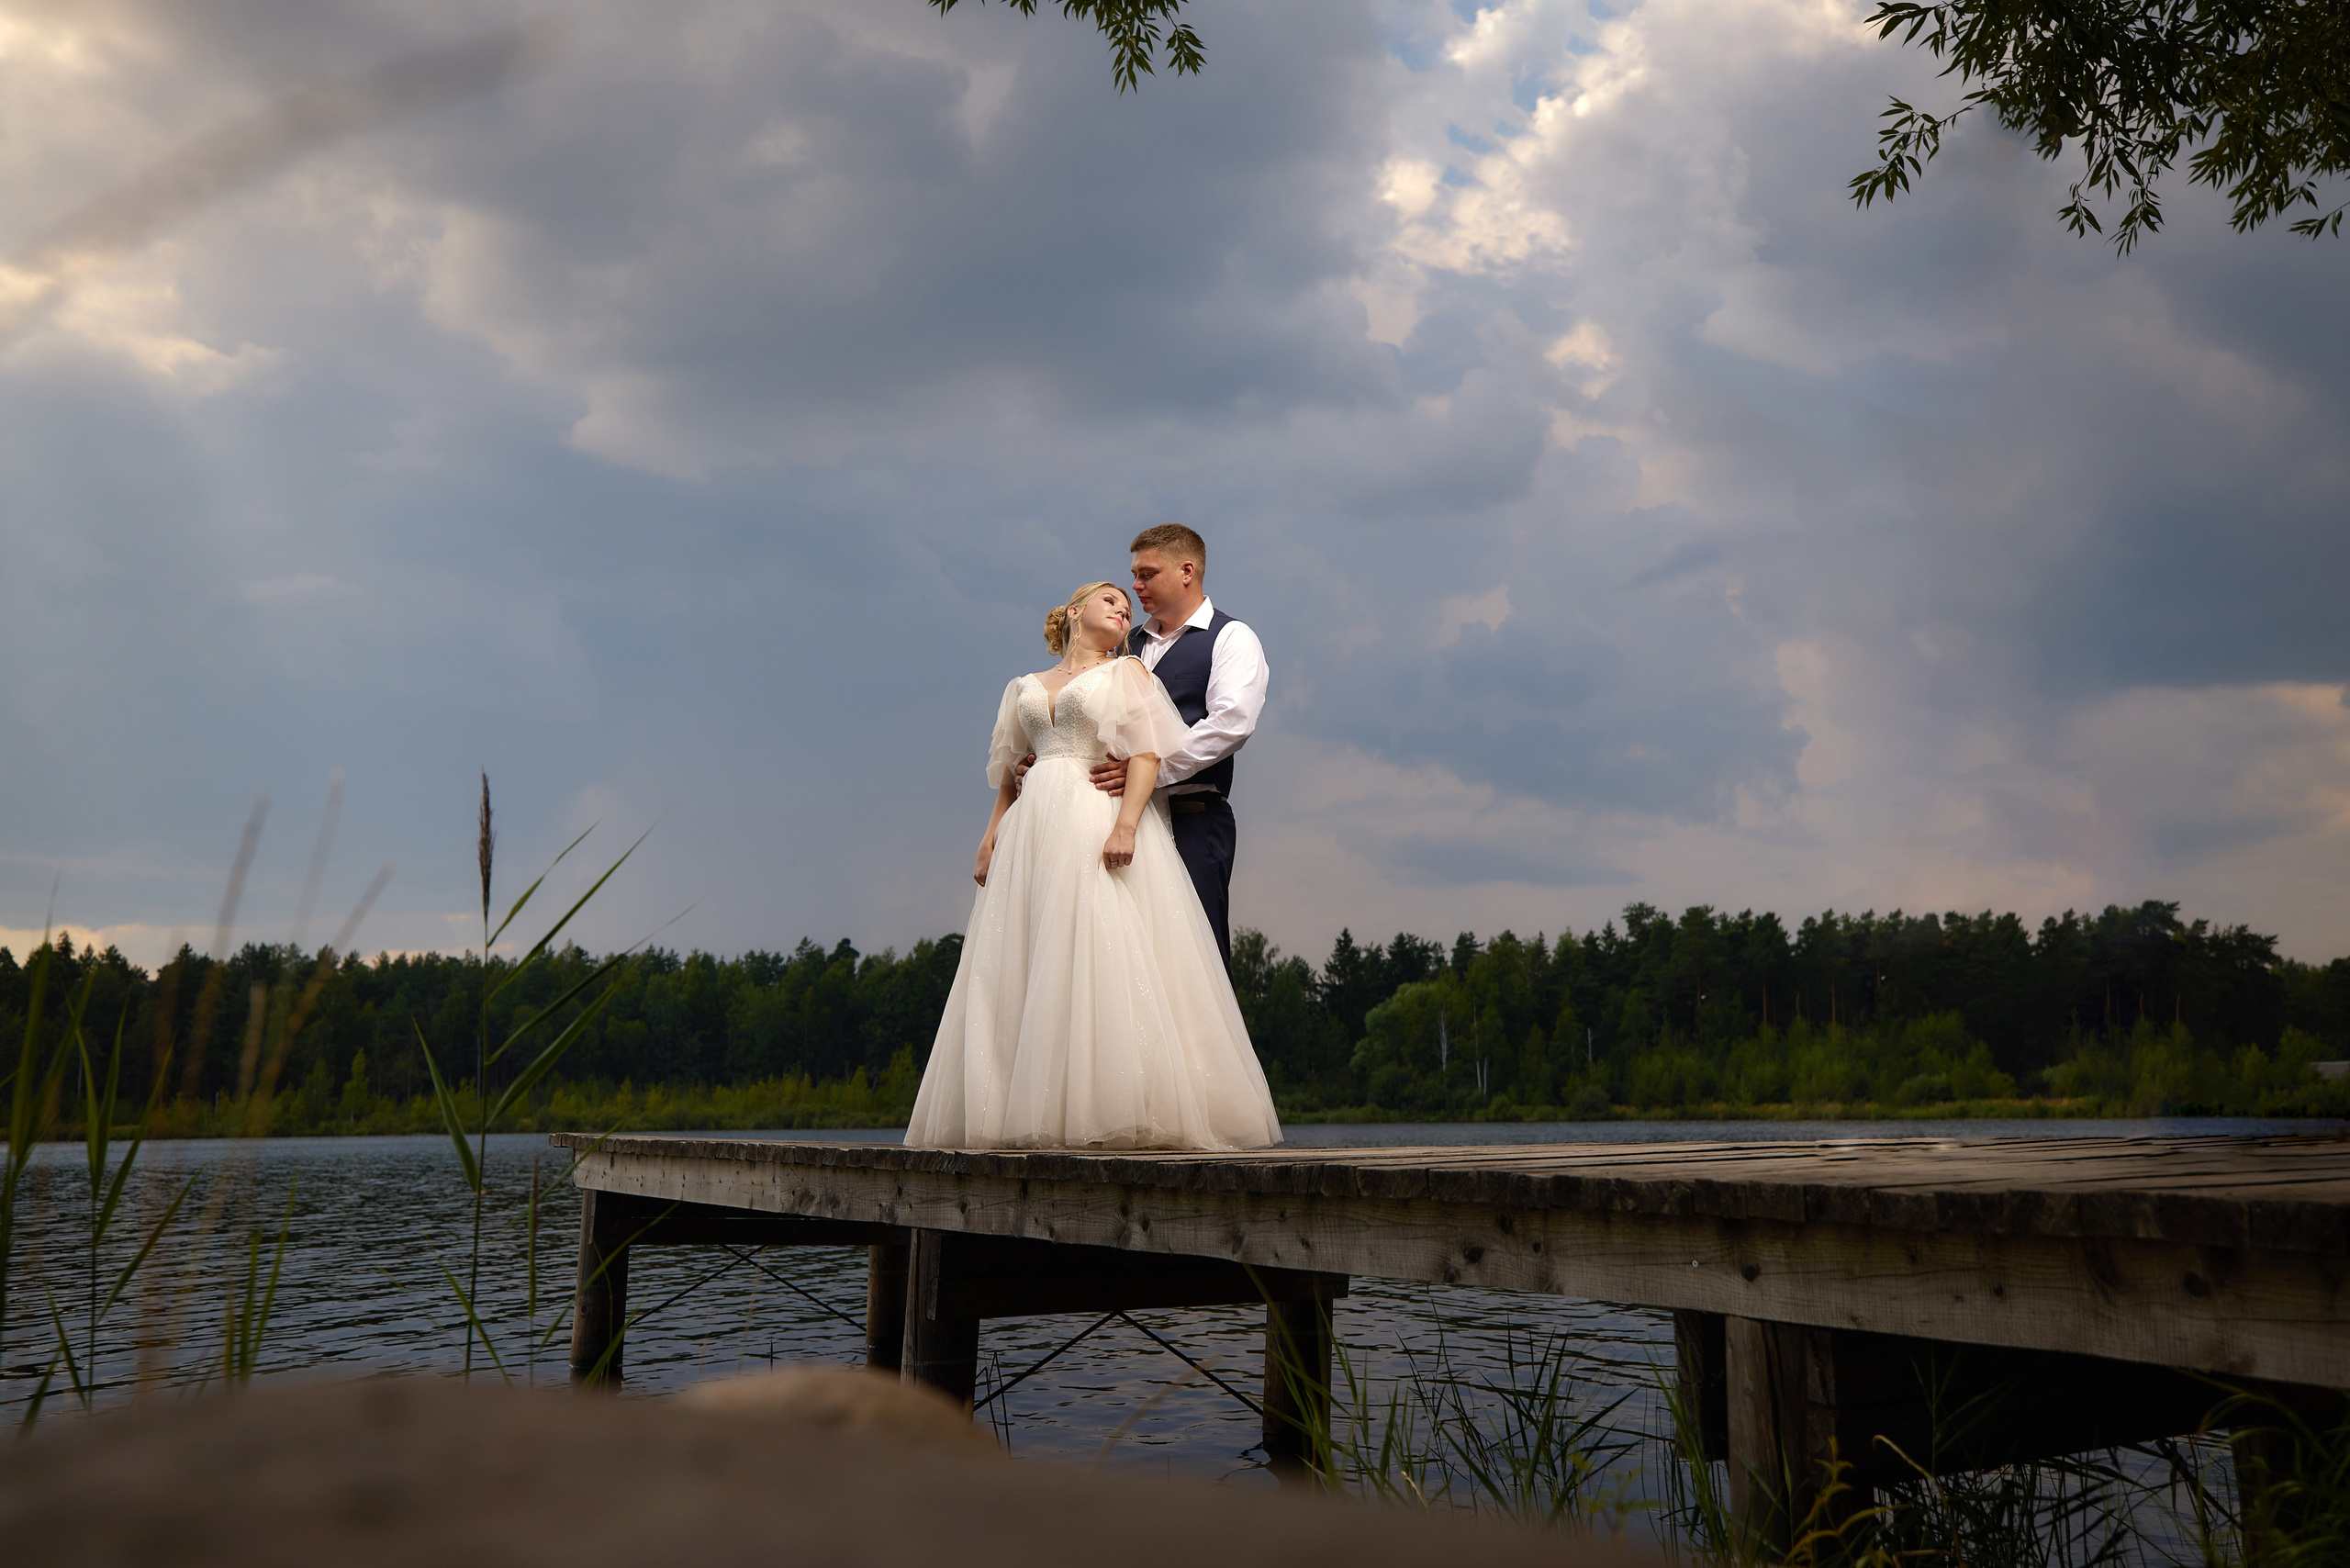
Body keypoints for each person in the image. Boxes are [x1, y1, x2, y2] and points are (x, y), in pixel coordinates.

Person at [903, 581, 1282, 1152]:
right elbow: (1010, 769)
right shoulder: (1024, 686)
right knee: (1024, 953)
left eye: (1127, 605)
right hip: (1034, 825)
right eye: (1111, 599)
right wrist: (989, 838)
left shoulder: (1127, 672)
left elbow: (1148, 753)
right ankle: (1018, 1105)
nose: (1124, 606)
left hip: (1092, 811)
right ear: (1075, 611)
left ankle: (1110, 1106)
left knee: (1098, 943)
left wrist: (1126, 823)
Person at [1089, 525, 1266, 969]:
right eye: (1134, 574)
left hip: (1192, 821)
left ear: (1187, 571)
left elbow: (1231, 724)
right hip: (1112, 825)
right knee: (1122, 964)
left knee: (1196, 965)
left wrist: (1147, 771)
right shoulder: (1123, 645)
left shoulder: (1230, 638)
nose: (1135, 585)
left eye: (1147, 573)